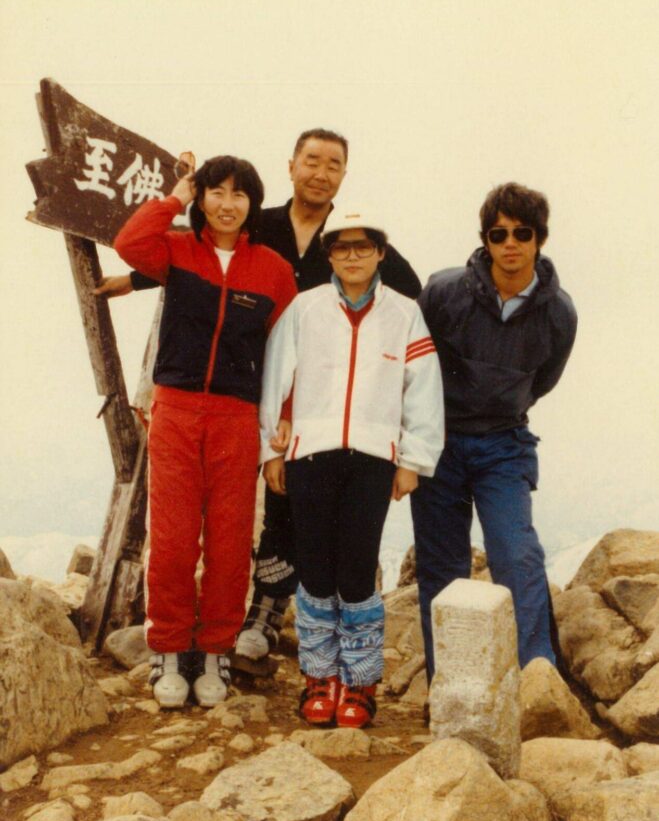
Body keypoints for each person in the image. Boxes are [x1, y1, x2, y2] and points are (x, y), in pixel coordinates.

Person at [99, 130, 421, 667]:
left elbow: (407, 298)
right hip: (243, 388)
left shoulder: (348, 237)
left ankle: (268, 611)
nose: (320, 173)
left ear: (344, 175)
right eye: (311, 161)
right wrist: (134, 280)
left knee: (293, 502)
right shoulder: (259, 223)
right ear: (291, 165)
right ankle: (217, 626)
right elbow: (211, 263)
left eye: (333, 164)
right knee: (238, 508)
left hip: (315, 392)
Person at [114, 156, 296, 708]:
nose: (227, 203)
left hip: (237, 417)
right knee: (172, 539)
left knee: (229, 539)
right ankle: (169, 649)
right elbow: (129, 243)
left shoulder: (273, 270)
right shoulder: (176, 250)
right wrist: (176, 195)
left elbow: (287, 354)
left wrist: (284, 415)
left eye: (239, 194)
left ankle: (216, 648)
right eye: (215, 191)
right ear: (201, 197)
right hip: (175, 409)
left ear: (253, 203)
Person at [260, 210, 444, 728]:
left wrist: (413, 460)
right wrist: (270, 450)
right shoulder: (305, 308)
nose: (353, 256)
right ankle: (319, 678)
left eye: (364, 246)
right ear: (330, 255)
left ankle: (360, 682)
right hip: (310, 454)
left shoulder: (405, 313)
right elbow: (276, 377)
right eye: (342, 247)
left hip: (373, 458)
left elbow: (423, 388)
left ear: (381, 252)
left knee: (357, 572)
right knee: (316, 570)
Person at [411, 182, 577, 680]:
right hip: (438, 442)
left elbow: (540, 382)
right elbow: (414, 365)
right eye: (498, 233)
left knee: (516, 555)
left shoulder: (559, 313)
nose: (510, 243)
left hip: (505, 445)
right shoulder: (444, 293)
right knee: (442, 568)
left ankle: (537, 680)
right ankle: (449, 686)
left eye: (522, 233)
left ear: (539, 238)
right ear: (484, 238)